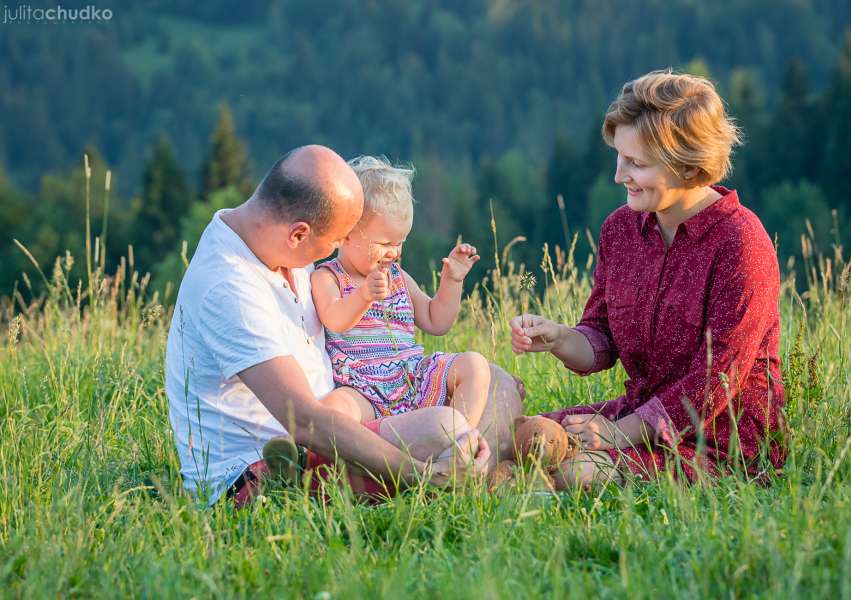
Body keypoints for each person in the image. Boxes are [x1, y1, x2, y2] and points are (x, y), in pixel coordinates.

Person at [165, 145, 521, 506]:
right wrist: (418, 472)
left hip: (339, 429)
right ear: (299, 234)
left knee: (498, 385)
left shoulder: (278, 247)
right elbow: (303, 420)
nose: (338, 250)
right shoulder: (229, 287)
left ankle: (471, 472)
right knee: (446, 429)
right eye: (337, 239)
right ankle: (466, 477)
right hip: (270, 469)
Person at [510, 70, 786, 489]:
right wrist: (560, 338)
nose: (619, 176)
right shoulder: (621, 230)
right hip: (637, 418)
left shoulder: (741, 244)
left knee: (572, 472)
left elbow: (718, 381)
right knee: (515, 438)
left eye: (636, 164)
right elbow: (601, 340)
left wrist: (616, 435)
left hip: (722, 444)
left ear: (688, 165)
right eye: (619, 157)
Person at [309, 156, 490, 428]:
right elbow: (334, 318)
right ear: (346, 234)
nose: (394, 252)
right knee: (335, 409)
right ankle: (312, 454)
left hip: (413, 380)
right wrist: (363, 296)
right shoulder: (327, 277)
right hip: (362, 389)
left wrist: (452, 280)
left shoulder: (398, 278)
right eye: (384, 243)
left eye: (401, 242)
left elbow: (436, 321)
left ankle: (460, 442)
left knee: (475, 365)